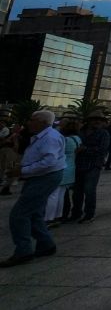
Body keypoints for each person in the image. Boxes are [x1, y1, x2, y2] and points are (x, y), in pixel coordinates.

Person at [0, 110, 66, 267]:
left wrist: (23, 171)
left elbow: (49, 162)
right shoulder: (43, 136)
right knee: (34, 212)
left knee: (19, 214)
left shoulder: (50, 138)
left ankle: (23, 250)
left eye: (32, 119)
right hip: (39, 177)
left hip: (45, 177)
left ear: (43, 122)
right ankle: (46, 244)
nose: (29, 122)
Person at [70, 112, 110, 223]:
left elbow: (103, 149)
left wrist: (86, 149)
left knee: (89, 190)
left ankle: (89, 214)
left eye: (100, 120)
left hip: (93, 164)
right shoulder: (80, 132)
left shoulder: (103, 133)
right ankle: (76, 213)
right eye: (94, 119)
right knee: (77, 191)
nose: (97, 122)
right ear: (88, 121)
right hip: (79, 163)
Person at [45, 119, 80, 226]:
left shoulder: (65, 140)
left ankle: (48, 218)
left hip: (61, 168)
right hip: (71, 169)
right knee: (60, 195)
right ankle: (58, 217)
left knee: (52, 195)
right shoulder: (77, 139)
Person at [0, 116, 21, 195]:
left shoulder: (17, 136)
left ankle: (6, 186)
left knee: (10, 167)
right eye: (14, 127)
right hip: (6, 151)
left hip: (12, 153)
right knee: (4, 166)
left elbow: (16, 147)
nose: (14, 128)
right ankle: (5, 185)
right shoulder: (11, 134)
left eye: (16, 127)